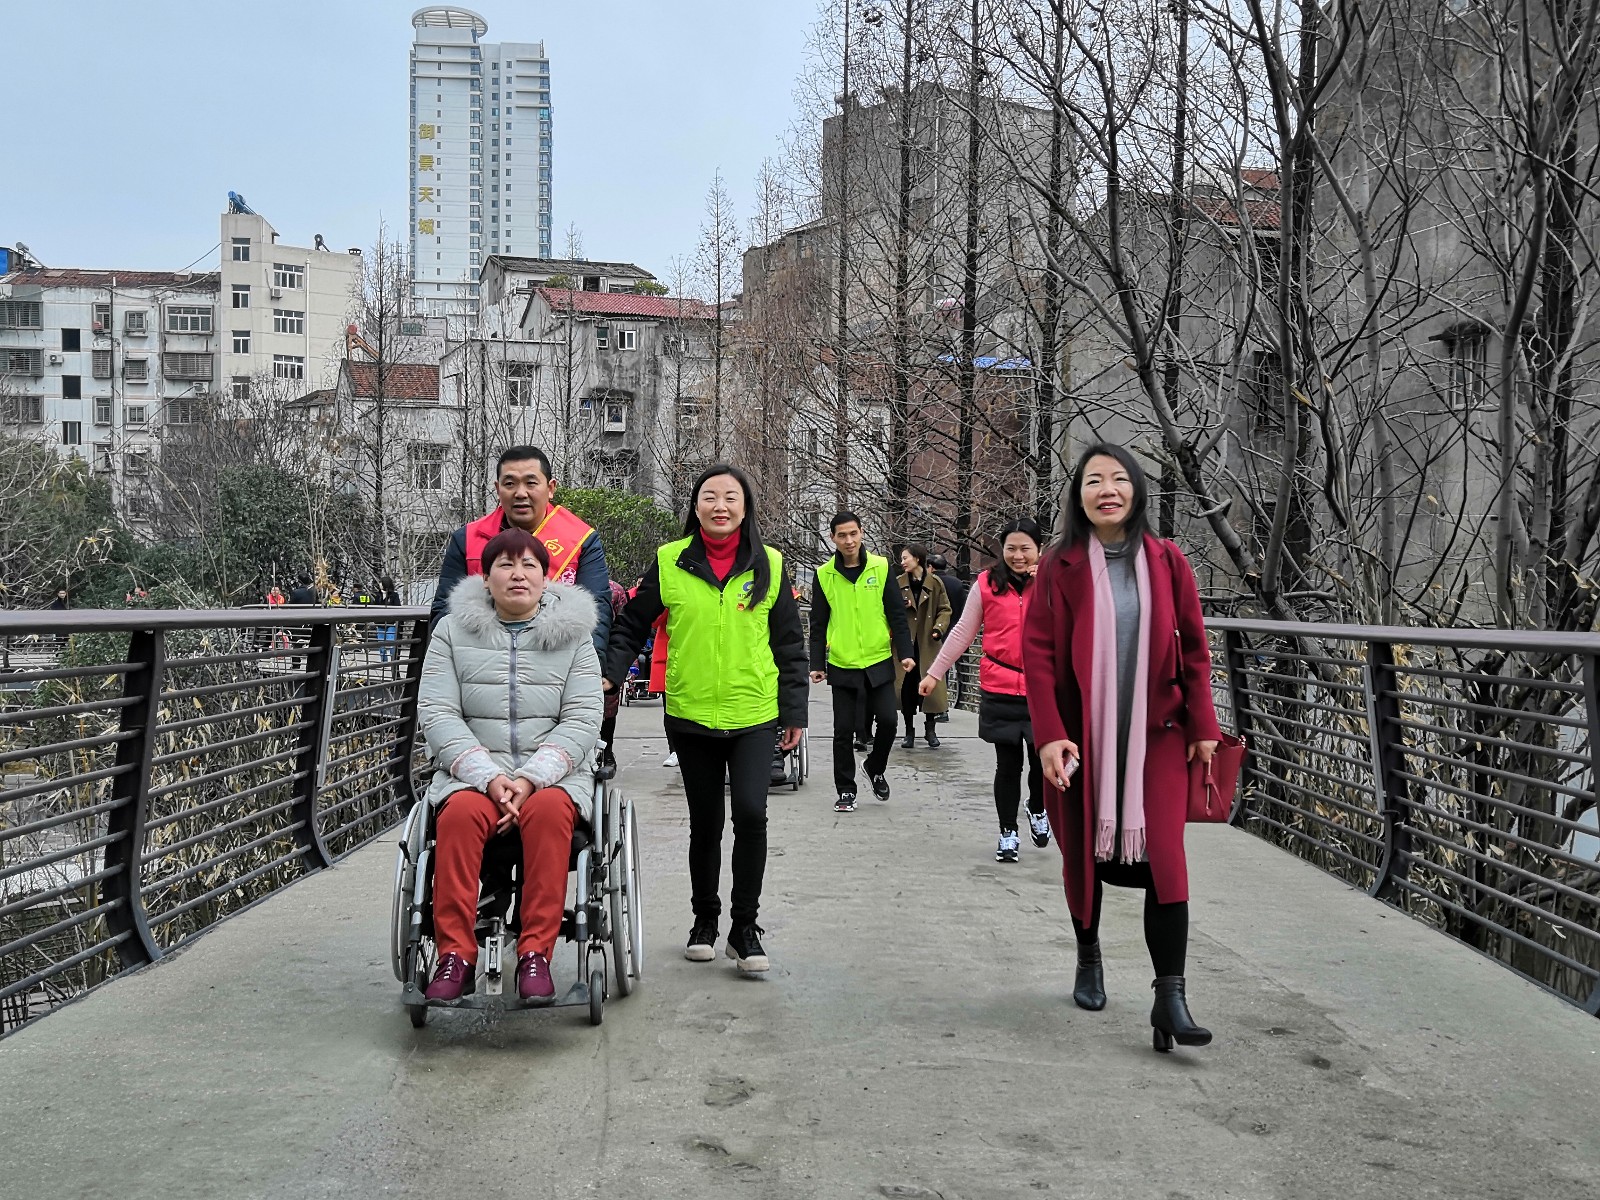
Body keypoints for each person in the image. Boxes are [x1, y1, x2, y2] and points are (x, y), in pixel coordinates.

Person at [1022, 443, 1221, 1052]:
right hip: (1080, 737)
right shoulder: (1058, 565)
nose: (1106, 490)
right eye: (1093, 481)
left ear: (1136, 489)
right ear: (1078, 496)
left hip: (1157, 735)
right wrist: (1050, 735)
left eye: (1118, 479)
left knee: (1166, 860)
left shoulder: (1167, 560)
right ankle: (1089, 955)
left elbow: (1194, 649)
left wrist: (1204, 726)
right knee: (1083, 855)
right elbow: (1038, 655)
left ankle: (1170, 998)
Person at [604, 464, 808, 975]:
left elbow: (789, 643)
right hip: (691, 714)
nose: (721, 505)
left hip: (754, 713)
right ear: (695, 507)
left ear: (745, 507)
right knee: (706, 822)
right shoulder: (670, 561)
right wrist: (611, 672)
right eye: (710, 496)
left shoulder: (771, 564)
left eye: (731, 497)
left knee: (752, 815)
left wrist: (794, 710)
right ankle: (705, 921)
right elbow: (632, 623)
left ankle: (745, 928)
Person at [416, 528, 603, 1004]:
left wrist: (531, 778)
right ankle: (455, 956)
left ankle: (535, 953)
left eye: (529, 565)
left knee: (551, 812)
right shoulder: (451, 633)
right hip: (474, 775)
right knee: (457, 816)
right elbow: (437, 712)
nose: (518, 574)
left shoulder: (575, 638)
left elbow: (583, 717)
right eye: (505, 564)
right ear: (485, 577)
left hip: (554, 776)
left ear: (546, 577)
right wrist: (489, 777)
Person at [922, 518, 1049, 862]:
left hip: (1043, 689)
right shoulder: (986, 584)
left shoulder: (1053, 583)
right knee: (1008, 765)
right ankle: (1008, 832)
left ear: (1039, 549)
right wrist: (934, 673)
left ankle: (1038, 807)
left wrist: (1050, 583)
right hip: (1000, 686)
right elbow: (963, 632)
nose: (1018, 556)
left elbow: (1077, 625)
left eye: (1026, 549)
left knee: (1042, 762)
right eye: (1011, 549)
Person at [431, 445, 612, 658]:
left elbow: (597, 613)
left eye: (531, 483)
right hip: (481, 660)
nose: (520, 493)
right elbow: (444, 610)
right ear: (498, 489)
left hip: (554, 660)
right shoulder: (467, 539)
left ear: (551, 488)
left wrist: (591, 667)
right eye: (510, 484)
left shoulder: (582, 540)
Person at [809, 511, 916, 813]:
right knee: (843, 731)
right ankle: (846, 790)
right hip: (843, 662)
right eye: (842, 535)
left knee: (889, 721)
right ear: (832, 538)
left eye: (853, 533)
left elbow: (896, 614)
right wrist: (816, 663)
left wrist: (906, 653)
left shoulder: (880, 567)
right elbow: (818, 623)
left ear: (862, 533)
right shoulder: (824, 575)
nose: (849, 540)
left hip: (878, 658)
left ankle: (874, 766)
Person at [894, 545, 952, 748]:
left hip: (928, 642)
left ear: (917, 558)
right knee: (906, 688)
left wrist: (938, 628)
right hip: (906, 643)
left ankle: (930, 730)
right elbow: (889, 609)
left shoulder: (935, 582)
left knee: (929, 688)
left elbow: (945, 609)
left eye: (905, 558)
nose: (902, 562)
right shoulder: (899, 582)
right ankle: (909, 731)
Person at [929, 554, 969, 719]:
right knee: (949, 668)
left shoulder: (931, 583)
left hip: (935, 631)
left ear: (930, 567)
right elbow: (963, 609)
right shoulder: (957, 583)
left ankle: (938, 707)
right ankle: (952, 702)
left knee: (935, 668)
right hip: (955, 631)